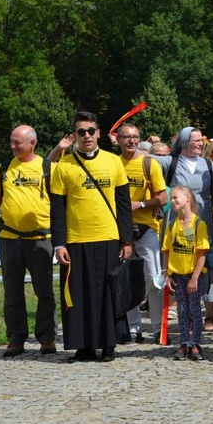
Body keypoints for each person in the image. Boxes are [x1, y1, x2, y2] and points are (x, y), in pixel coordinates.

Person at [51, 111, 133, 362]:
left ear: (99, 133)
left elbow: (123, 204)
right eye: (81, 132)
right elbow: (57, 208)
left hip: (108, 236)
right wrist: (59, 244)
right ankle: (83, 346)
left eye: (91, 131)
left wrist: (127, 239)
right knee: (78, 295)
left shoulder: (113, 161)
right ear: (74, 135)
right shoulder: (64, 166)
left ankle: (108, 343)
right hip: (76, 240)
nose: (86, 136)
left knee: (108, 294)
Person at [0, 125, 57, 357]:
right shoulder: (3, 169)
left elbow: (61, 204)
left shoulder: (48, 168)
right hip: (10, 238)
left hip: (41, 239)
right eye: (11, 142)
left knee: (44, 290)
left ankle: (47, 337)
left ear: (32, 143)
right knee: (12, 291)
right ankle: (15, 338)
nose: (12, 146)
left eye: (17, 143)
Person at [155, 127, 213, 333]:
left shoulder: (209, 165)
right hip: (177, 222)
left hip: (203, 222)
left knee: (207, 265)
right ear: (184, 142)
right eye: (195, 140)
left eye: (202, 140)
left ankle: (209, 315)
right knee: (180, 265)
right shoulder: (170, 162)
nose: (201, 143)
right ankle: (186, 312)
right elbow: (144, 158)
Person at [117, 123, 168, 344]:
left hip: (147, 228)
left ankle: (158, 328)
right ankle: (133, 329)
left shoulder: (150, 163)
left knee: (154, 280)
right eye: (127, 137)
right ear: (118, 140)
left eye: (135, 137)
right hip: (119, 229)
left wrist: (141, 204)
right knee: (126, 282)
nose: (131, 141)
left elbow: (163, 198)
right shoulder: (113, 163)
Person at [163, 186, 209, 360]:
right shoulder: (172, 224)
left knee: (195, 309)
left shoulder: (199, 224)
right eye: (171, 198)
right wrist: (167, 274)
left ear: (188, 198)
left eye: (176, 197)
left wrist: (195, 277)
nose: (172, 200)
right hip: (177, 275)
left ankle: (196, 343)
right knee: (182, 309)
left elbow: (202, 253)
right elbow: (167, 250)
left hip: (193, 275)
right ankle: (184, 343)